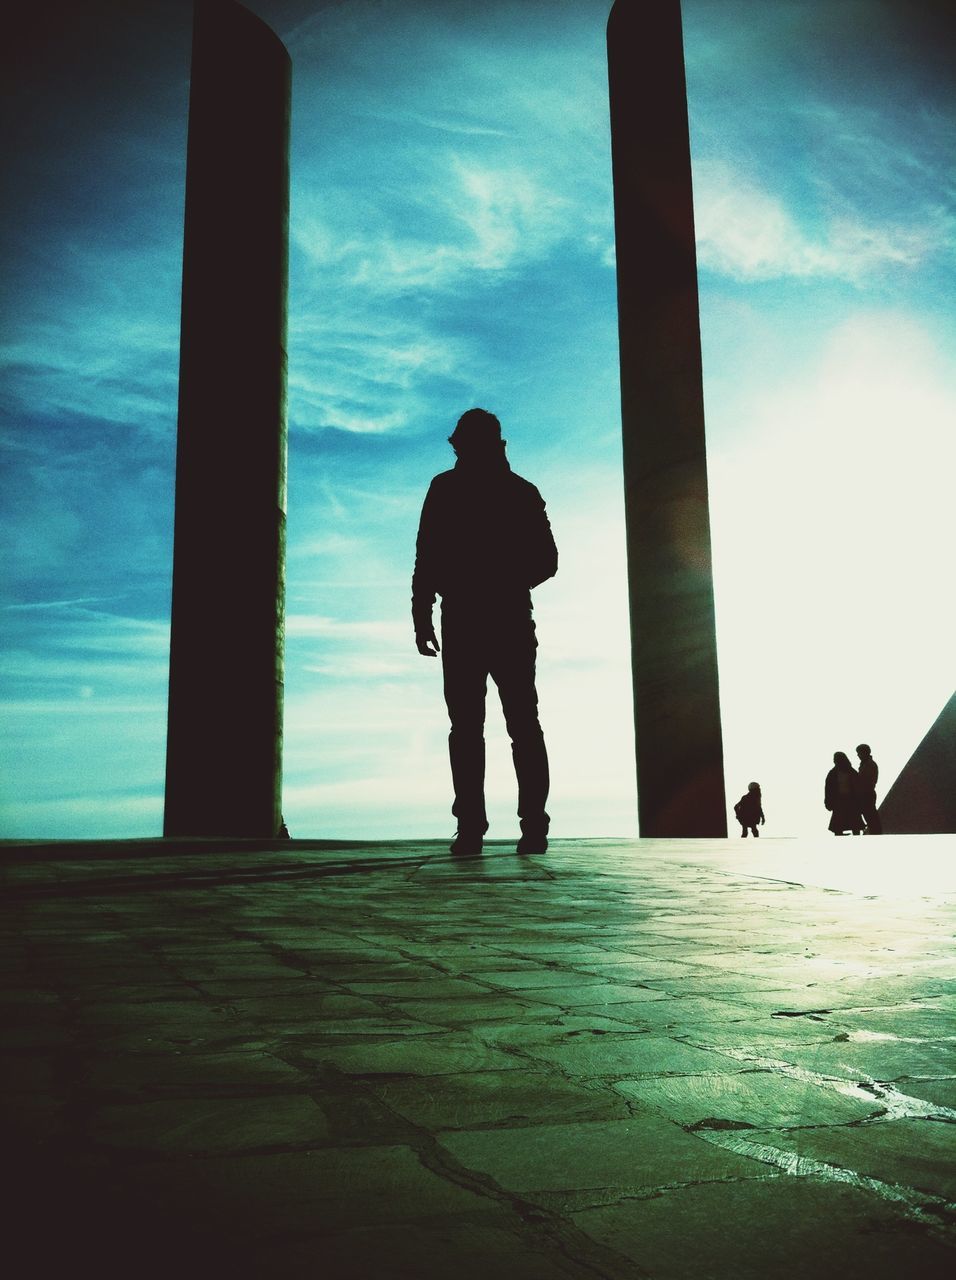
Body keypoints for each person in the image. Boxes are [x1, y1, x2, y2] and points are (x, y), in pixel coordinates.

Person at [412, 408, 558, 857]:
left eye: (460, 443)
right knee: (499, 727)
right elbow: (428, 554)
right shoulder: (498, 490)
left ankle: (504, 826)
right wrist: (423, 614)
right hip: (485, 619)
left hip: (487, 618)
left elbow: (547, 561)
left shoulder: (507, 492)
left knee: (501, 726)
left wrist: (496, 581)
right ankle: (500, 826)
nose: (456, 450)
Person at [824, 751, 864, 835]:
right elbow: (828, 789)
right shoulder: (833, 774)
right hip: (839, 801)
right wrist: (828, 802)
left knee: (854, 824)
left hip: (851, 800)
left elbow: (858, 787)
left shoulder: (850, 772)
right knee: (839, 825)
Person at [856, 743, 882, 834]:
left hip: (867, 793)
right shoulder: (867, 764)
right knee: (870, 816)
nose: (858, 755)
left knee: (870, 816)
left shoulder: (870, 765)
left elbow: (866, 781)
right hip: (866, 793)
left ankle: (876, 833)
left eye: (859, 753)